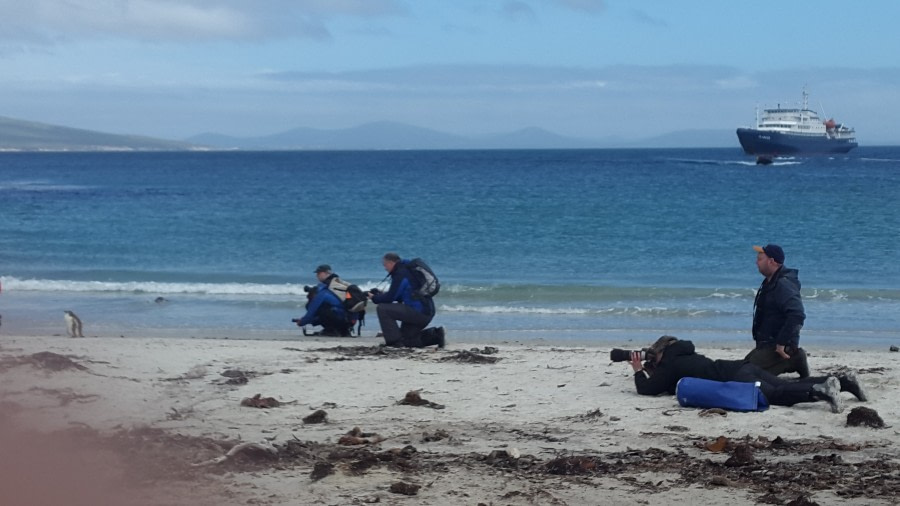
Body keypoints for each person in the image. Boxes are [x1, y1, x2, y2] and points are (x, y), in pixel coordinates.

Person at [629, 336, 867, 413]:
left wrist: (639, 371)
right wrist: (652, 370)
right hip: (740, 367)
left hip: (736, 378)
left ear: (661, 352)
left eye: (653, 355)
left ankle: (819, 391)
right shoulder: (682, 355)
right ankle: (845, 382)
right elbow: (670, 382)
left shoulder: (670, 364)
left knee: (776, 394)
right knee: (788, 382)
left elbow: (647, 390)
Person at [746, 244, 810, 377]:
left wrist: (781, 344)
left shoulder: (783, 284)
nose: (756, 262)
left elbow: (797, 315)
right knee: (743, 366)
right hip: (767, 344)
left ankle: (795, 359)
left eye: (760, 259)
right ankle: (794, 359)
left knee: (747, 374)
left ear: (771, 261)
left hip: (779, 347)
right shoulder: (770, 282)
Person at [368, 252, 445, 348]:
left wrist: (374, 298)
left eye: (385, 265)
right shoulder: (407, 270)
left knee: (382, 309)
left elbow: (390, 298)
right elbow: (399, 295)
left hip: (419, 312)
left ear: (391, 263)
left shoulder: (400, 274)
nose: (385, 268)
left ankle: (393, 342)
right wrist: (380, 294)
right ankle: (436, 335)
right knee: (406, 340)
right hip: (427, 312)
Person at [293, 264, 352, 337]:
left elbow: (312, 310)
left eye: (319, 273)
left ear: (326, 273)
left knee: (320, 308)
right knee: (330, 308)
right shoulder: (339, 285)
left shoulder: (323, 290)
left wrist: (302, 322)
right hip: (349, 320)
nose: (317, 275)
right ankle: (343, 331)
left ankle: (331, 330)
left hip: (341, 319)